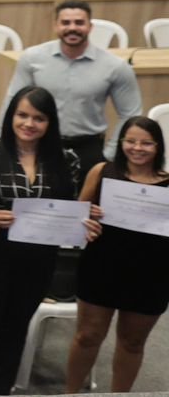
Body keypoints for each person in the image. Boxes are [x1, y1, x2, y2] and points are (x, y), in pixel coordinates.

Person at [0, 87, 97, 397]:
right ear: (11, 116)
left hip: (40, 261)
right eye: (22, 115)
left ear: (50, 122)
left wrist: (84, 221)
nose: (29, 123)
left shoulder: (67, 160)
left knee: (15, 331)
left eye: (38, 118)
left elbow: (66, 210)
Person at [65, 115, 169, 392]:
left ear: (158, 147)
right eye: (131, 141)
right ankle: (70, 393)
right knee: (87, 336)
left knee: (133, 342)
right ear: (121, 142)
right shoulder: (101, 172)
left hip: (152, 274)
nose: (137, 148)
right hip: (102, 267)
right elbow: (74, 218)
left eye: (146, 143)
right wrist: (87, 215)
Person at [5, 0, 141, 172]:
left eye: (79, 22)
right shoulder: (32, 59)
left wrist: (110, 155)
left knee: (84, 199)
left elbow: (130, 115)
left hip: (89, 148)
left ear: (90, 27)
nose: (72, 28)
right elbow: (11, 104)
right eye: (65, 23)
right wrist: (5, 145)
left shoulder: (115, 67)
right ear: (55, 26)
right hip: (41, 145)